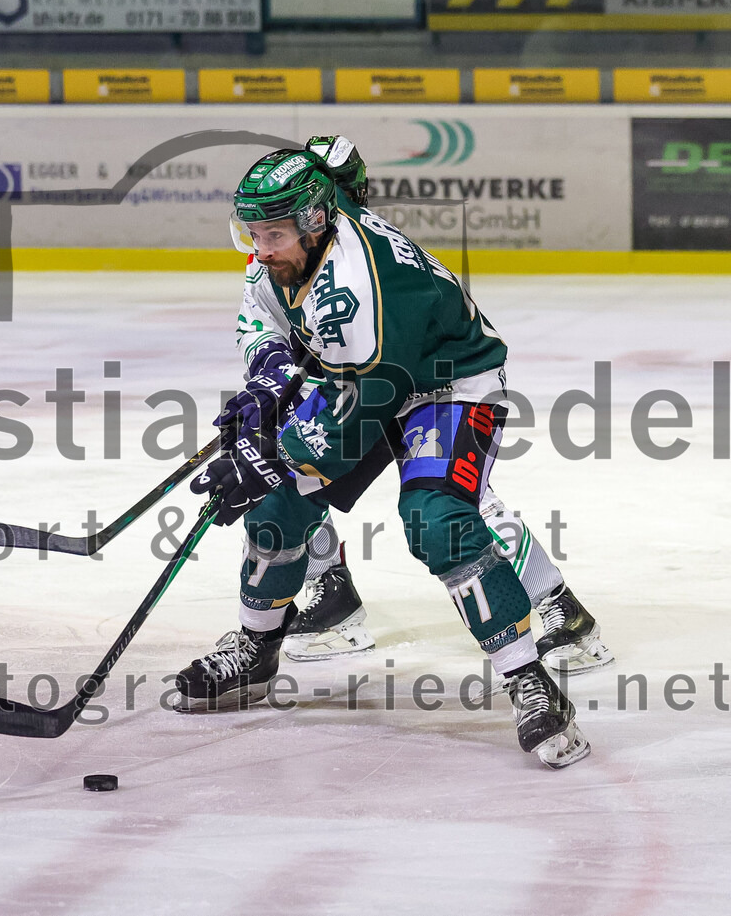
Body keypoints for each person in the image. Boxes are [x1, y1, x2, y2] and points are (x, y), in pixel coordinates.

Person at [175, 147, 610, 768]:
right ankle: (257, 647)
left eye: (272, 234)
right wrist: (271, 372)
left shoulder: (354, 286)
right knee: (278, 507)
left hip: (449, 385)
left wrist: (267, 456)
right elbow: (262, 317)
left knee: (438, 520)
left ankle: (530, 682)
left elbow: (357, 418)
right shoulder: (296, 241)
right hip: (370, 374)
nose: (260, 248)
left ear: (315, 222)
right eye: (253, 233)